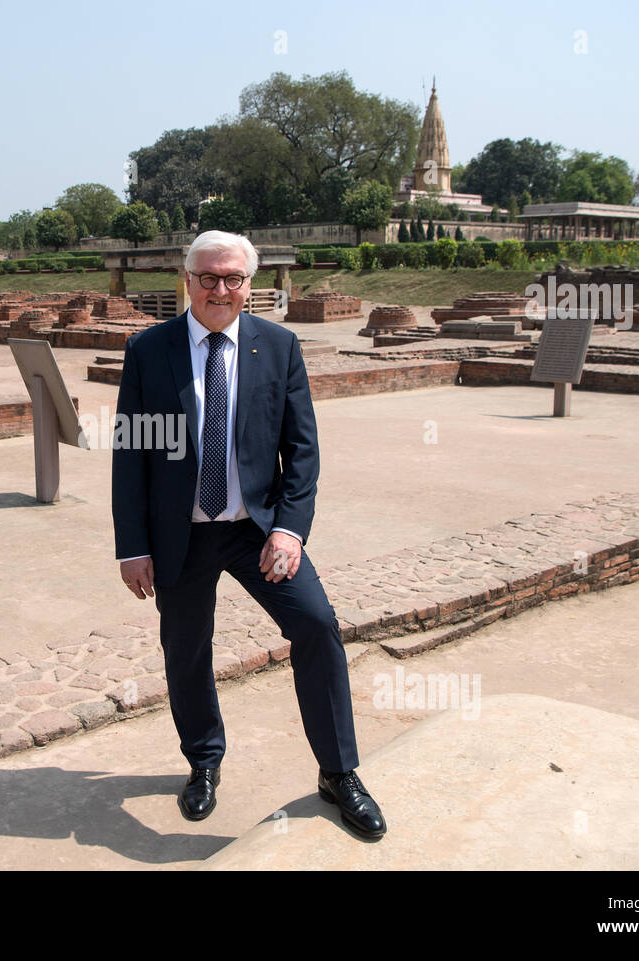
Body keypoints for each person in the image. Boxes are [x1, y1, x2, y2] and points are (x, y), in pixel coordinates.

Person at [111, 230, 386, 840]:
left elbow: (302, 450)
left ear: (249, 285)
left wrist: (290, 530)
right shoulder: (149, 351)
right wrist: (133, 545)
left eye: (232, 278)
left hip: (257, 530)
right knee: (187, 650)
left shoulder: (278, 347)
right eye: (207, 277)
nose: (220, 289)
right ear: (188, 279)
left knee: (316, 625)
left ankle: (339, 772)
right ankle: (203, 762)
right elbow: (130, 455)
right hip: (179, 535)